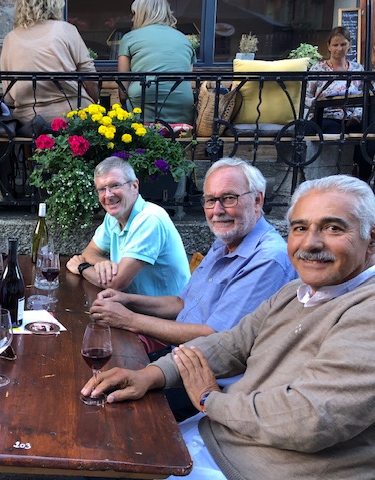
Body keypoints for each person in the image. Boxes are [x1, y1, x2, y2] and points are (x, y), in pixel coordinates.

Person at [82, 174, 375, 479]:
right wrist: (150, 375)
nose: (311, 243)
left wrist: (210, 399)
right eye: (300, 228)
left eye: (333, 228)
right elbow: (232, 343)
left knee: (107, 445)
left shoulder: (365, 310)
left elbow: (309, 419)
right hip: (216, 433)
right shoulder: (296, 291)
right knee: (105, 436)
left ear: (372, 240)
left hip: (258, 467)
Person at [89, 158, 297, 420]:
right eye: (210, 200)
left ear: (257, 200)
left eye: (229, 198)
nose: (217, 210)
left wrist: (128, 319)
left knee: (115, 412)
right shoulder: (226, 242)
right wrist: (127, 299)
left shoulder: (268, 259)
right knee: (100, 376)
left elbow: (215, 338)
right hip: (182, 356)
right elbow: (182, 303)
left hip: (215, 381)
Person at [67, 156, 190, 297]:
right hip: (133, 304)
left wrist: (82, 267)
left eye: (115, 185)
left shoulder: (150, 219)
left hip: (169, 309)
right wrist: (103, 263)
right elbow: (89, 252)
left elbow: (116, 283)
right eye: (101, 189)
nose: (108, 195)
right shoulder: (113, 217)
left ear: (134, 186)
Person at [0, 0, 99, 130]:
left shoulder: (10, 39)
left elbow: (8, 98)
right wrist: (95, 101)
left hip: (29, 121)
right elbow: (91, 78)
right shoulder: (65, 29)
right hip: (73, 114)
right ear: (55, 4)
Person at [305, 26, 372, 181]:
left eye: (343, 44)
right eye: (335, 45)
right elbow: (307, 96)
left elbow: (365, 96)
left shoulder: (357, 69)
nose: (339, 49)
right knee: (337, 133)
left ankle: (363, 178)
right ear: (328, 46)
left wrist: (356, 116)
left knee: (368, 135)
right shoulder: (318, 68)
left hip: (352, 118)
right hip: (325, 117)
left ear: (349, 45)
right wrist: (319, 103)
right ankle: (337, 177)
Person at [118, 0, 195, 124]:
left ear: (144, 14)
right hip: (182, 107)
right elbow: (187, 79)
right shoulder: (184, 39)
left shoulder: (129, 38)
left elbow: (123, 91)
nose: (132, 19)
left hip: (142, 109)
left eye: (135, 14)